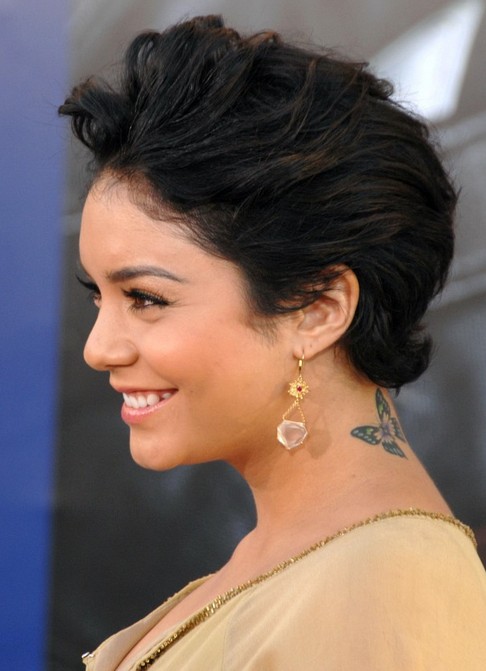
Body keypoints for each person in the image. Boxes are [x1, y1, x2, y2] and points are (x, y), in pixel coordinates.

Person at [59, 14, 486, 670]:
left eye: (145, 298)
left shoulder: (384, 587)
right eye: (99, 298)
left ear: (318, 310)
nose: (99, 348)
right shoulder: (304, 569)